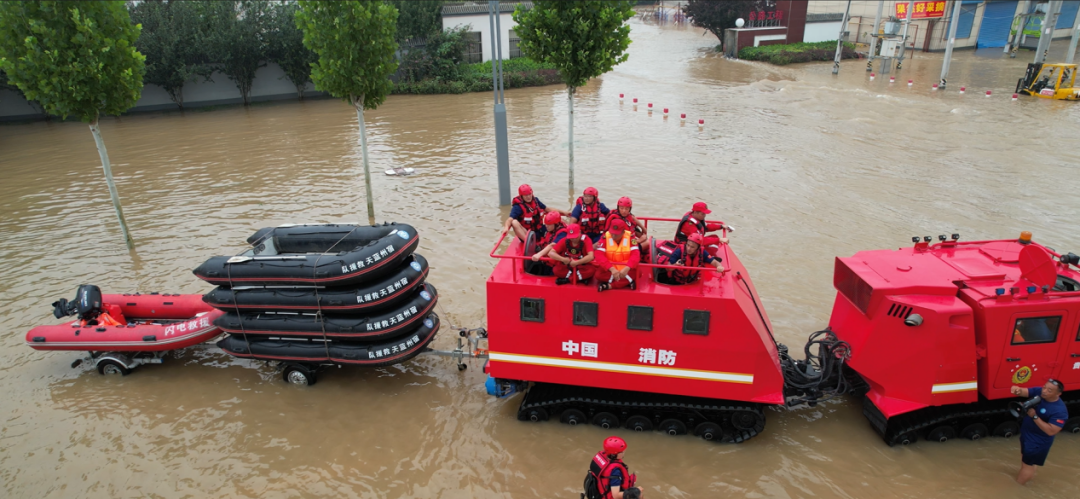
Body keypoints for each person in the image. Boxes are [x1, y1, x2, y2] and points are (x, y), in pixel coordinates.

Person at [1012, 379, 1069, 485]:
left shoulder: (1060, 411)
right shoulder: (1041, 392)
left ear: (1058, 394)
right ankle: (1029, 478)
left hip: (1037, 442)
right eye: (1044, 387)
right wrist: (1017, 390)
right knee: (1027, 461)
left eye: (1050, 390)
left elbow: (1051, 431)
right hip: (1027, 435)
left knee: (1027, 465)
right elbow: (1025, 391)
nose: (1044, 391)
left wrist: (1034, 416)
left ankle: (1018, 486)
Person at [595, 218, 639, 291]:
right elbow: (599, 255)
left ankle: (609, 286)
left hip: (625, 268)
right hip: (610, 268)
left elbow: (636, 255)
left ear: (623, 232)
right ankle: (627, 281)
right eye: (612, 233)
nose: (613, 236)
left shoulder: (631, 237)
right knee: (598, 275)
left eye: (616, 234)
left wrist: (627, 268)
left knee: (638, 273)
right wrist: (611, 269)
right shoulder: (605, 237)